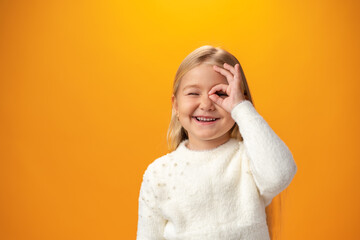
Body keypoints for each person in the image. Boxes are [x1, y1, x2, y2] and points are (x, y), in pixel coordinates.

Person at [136, 45, 297, 240]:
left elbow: (280, 174)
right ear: (176, 105)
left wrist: (240, 108)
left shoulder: (250, 160)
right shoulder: (158, 174)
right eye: (194, 93)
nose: (206, 104)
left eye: (221, 94)